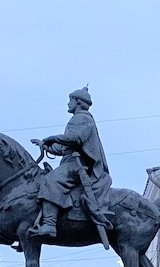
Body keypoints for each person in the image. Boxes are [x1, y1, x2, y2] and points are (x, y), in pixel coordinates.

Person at [29, 87, 113, 241]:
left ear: (79, 102)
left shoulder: (83, 118)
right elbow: (63, 148)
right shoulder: (77, 119)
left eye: (71, 100)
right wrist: (45, 145)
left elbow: (75, 138)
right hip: (71, 161)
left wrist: (53, 137)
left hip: (80, 164)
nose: (68, 104)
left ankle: (49, 224)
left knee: (50, 181)